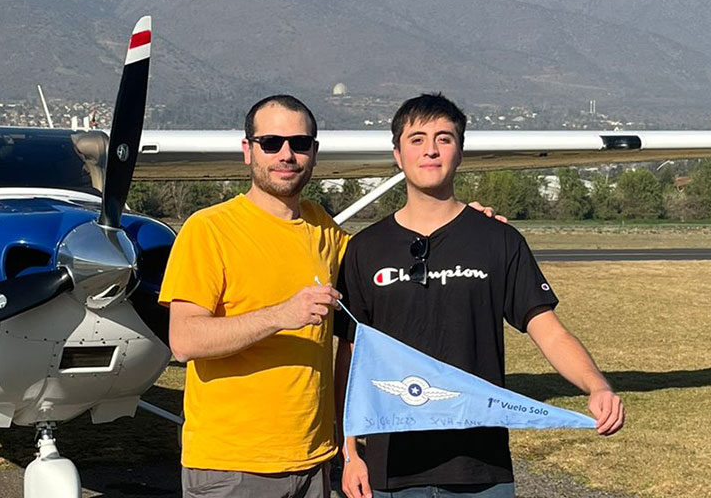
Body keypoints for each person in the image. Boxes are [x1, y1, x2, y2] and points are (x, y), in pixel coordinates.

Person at [335, 94, 624, 498]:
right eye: (416, 139)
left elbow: (549, 332)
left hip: (480, 469)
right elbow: (352, 358)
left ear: (460, 151)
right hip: (391, 469)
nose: (431, 150)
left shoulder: (498, 239)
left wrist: (597, 386)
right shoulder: (365, 248)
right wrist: (350, 454)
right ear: (397, 154)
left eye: (444, 138)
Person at [159, 94, 346, 498]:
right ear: (248, 151)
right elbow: (185, 341)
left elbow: (383, 264)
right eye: (271, 143)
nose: (286, 154)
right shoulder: (208, 229)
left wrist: (458, 221)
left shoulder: (323, 228)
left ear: (313, 153)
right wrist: (280, 314)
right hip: (233, 466)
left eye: (299, 144)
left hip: (314, 460)